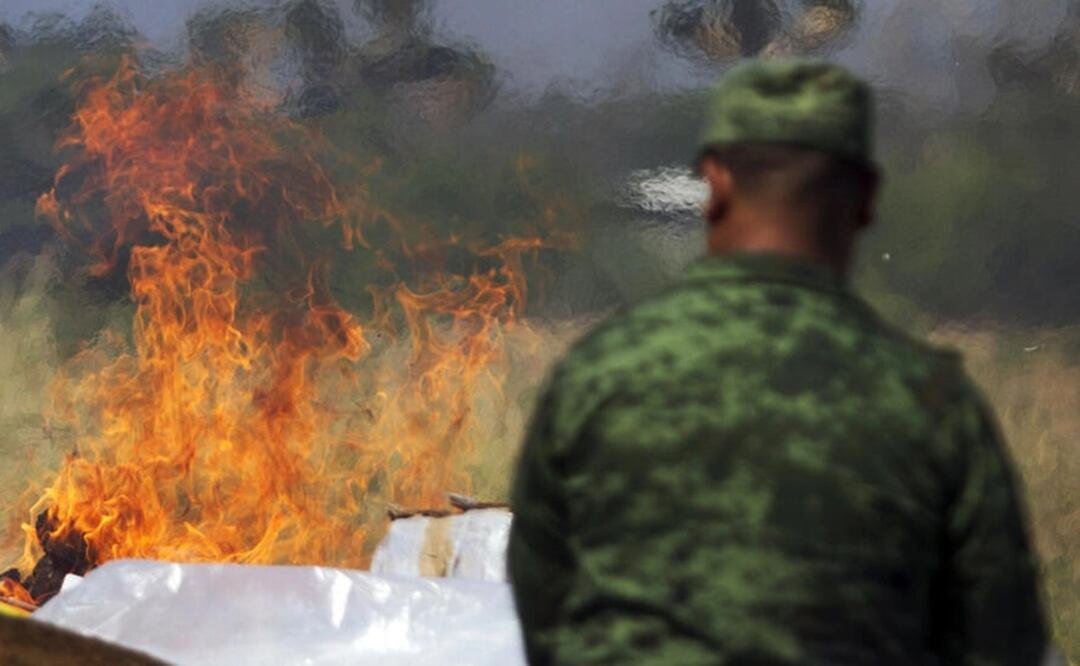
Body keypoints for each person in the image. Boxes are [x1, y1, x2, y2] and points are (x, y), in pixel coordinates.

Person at [507, 59, 1047, 665]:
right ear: (867, 198)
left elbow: (544, 608)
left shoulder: (597, 373)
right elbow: (1003, 640)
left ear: (714, 185)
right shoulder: (931, 400)